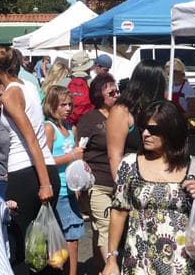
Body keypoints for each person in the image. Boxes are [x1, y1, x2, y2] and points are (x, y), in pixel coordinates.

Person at [101, 101, 195, 275]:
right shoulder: (130, 164)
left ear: (171, 131)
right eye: (143, 128)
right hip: (140, 262)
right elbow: (118, 212)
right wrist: (111, 259)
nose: (145, 134)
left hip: (186, 264)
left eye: (153, 130)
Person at [0, 46, 59, 275]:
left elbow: (32, 139)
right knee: (43, 247)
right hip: (42, 168)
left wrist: (44, 184)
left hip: (29, 172)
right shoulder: (29, 86)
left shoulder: (10, 95)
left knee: (27, 249)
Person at [77, 73, 119, 269]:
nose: (116, 93)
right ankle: (112, 269)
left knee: (101, 230)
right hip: (98, 182)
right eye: (110, 90)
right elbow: (80, 149)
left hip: (119, 184)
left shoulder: (121, 115)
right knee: (105, 228)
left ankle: (99, 268)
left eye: (116, 89)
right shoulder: (90, 119)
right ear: (99, 93)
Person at [43, 86, 84, 275]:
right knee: (63, 241)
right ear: (52, 106)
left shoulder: (69, 127)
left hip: (71, 188)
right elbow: (46, 160)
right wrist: (71, 157)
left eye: (70, 104)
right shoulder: (49, 128)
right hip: (58, 190)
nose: (68, 108)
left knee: (73, 239)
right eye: (63, 105)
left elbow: (75, 154)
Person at [106, 60, 167, 182]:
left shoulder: (161, 109)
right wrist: (121, 188)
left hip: (162, 177)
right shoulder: (122, 111)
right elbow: (114, 155)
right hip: (133, 179)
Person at [66, 51, 94, 126]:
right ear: (88, 68)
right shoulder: (93, 84)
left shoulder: (63, 83)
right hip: (88, 123)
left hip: (67, 124)